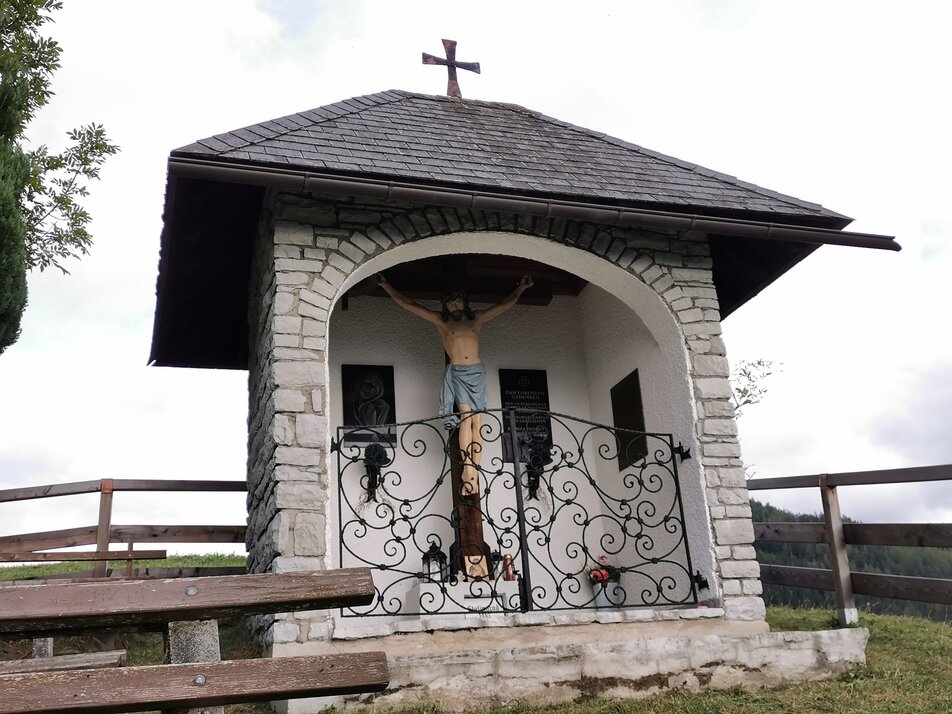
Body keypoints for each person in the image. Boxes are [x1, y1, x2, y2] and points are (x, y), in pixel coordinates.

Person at [378, 273, 533, 497]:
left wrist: (521, 288)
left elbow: (503, 306)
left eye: (456, 300)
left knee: (478, 422)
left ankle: (474, 473)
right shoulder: (442, 322)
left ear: (465, 301)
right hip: (458, 373)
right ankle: (467, 467)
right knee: (466, 418)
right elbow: (410, 304)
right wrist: (386, 285)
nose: (453, 305)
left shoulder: (476, 319)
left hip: (477, 372)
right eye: (449, 302)